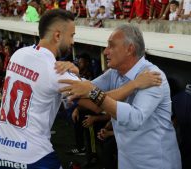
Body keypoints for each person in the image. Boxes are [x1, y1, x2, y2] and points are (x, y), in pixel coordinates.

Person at [0, 9, 161, 169]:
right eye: (71, 35)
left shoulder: (19, 54)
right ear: (57, 35)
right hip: (32, 156)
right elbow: (96, 104)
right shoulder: (56, 70)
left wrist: (76, 76)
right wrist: (135, 84)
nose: (73, 41)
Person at [58, 25, 182, 169]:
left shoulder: (153, 76)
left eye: (111, 46)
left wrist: (90, 92)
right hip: (127, 160)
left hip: (155, 162)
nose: (105, 52)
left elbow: (135, 118)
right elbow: (88, 98)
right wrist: (75, 78)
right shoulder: (115, 73)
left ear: (129, 49)